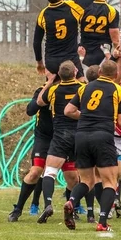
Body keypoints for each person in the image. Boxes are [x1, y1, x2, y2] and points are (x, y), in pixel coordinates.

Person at [33, 0, 121, 81]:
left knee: (50, 91)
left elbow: (37, 41)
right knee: (81, 89)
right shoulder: (73, 6)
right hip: (72, 58)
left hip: (52, 60)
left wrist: (39, 62)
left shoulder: (43, 14)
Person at [62, 61, 121, 232]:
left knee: (86, 180)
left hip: (82, 135)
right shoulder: (119, 90)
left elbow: (68, 111)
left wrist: (85, 117)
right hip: (103, 136)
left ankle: (71, 201)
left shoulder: (84, 88)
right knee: (109, 182)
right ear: (115, 75)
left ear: (99, 71)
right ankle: (103, 222)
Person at [35, 61, 83, 223]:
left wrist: (49, 82)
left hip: (61, 135)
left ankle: (48, 204)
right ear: (75, 73)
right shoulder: (82, 88)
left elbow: (40, 101)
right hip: (78, 135)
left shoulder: (55, 89)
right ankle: (72, 207)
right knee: (75, 178)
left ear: (60, 75)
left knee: (49, 172)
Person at [8, 83, 54, 222]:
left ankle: (75, 208)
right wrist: (48, 86)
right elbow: (30, 110)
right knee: (35, 172)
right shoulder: (42, 90)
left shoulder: (71, 89)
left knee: (73, 177)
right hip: (44, 138)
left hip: (62, 137)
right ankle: (18, 209)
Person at [79, 0, 120, 73]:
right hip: (103, 53)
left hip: (85, 52)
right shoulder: (112, 11)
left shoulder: (82, 9)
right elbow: (115, 40)